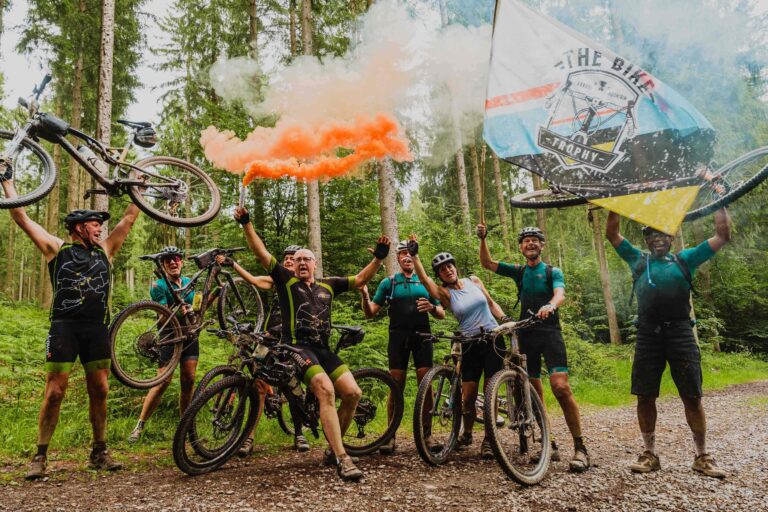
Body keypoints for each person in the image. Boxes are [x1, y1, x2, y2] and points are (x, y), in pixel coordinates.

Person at [233, 206, 388, 481]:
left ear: (315, 264)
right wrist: (246, 223)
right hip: (296, 348)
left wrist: (378, 258)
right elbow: (261, 253)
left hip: (323, 350)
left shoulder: (328, 285)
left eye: (307, 259)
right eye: (298, 260)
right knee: (325, 390)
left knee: (353, 393)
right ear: (293, 264)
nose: (302, 263)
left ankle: (332, 448)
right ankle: (343, 458)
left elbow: (361, 279)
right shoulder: (286, 281)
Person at [1, 179, 140, 480]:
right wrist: (7, 182)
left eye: (101, 225)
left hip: (97, 329)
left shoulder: (106, 250)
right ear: (79, 227)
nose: (100, 228)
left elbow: (129, 218)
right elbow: (21, 217)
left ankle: (99, 452)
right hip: (64, 328)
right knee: (54, 392)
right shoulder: (57, 248)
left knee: (100, 389)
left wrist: (137, 188)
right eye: (95, 224)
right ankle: (40, 456)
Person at [606, 209, 731, 479]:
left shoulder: (686, 259)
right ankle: (649, 454)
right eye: (652, 235)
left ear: (671, 238)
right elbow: (612, 234)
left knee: (692, 395)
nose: (658, 239)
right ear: (647, 240)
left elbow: (722, 235)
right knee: (645, 395)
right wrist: (614, 203)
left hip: (681, 333)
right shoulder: (638, 260)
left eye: (663, 235)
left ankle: (702, 456)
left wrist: (720, 203)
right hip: (648, 335)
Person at [477, 224, 590, 472]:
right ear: (521, 247)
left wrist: (551, 305)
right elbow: (486, 263)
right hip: (526, 334)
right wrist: (483, 239)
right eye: (526, 240)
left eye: (535, 240)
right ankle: (550, 443)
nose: (530, 243)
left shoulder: (551, 271)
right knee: (533, 393)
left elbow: (560, 293)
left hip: (550, 333)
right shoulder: (519, 271)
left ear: (542, 245)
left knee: (560, 388)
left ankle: (580, 447)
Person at [407, 237, 506, 459]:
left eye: (449, 266)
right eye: (442, 270)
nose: (448, 270)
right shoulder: (445, 294)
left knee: (490, 391)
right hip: (470, 343)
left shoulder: (474, 281)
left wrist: (505, 320)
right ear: (440, 276)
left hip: (492, 339)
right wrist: (415, 256)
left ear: (455, 267)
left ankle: (489, 439)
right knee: (468, 396)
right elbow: (424, 280)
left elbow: (491, 304)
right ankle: (467, 433)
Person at [215, 245, 312, 456]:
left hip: (291, 342)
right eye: (286, 258)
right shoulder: (277, 281)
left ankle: (299, 434)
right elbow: (252, 280)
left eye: (292, 258)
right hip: (268, 338)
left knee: (292, 387)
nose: (288, 261)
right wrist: (233, 264)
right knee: (258, 384)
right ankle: (249, 437)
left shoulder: (306, 285)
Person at [359, 240, 445, 454]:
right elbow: (370, 312)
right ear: (397, 258)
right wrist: (365, 296)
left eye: (409, 253)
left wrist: (432, 308)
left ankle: (427, 435)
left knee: (426, 385)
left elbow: (442, 313)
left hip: (423, 337)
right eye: (402, 253)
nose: (407, 256)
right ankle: (390, 436)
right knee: (395, 386)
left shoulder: (424, 281)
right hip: (397, 338)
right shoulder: (389, 283)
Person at [128, 246, 199, 443]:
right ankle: (140, 425)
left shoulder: (189, 283)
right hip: (169, 336)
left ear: (181, 262)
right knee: (162, 381)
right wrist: (178, 312)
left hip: (189, 335)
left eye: (176, 258)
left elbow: (198, 309)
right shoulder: (158, 285)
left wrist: (195, 309)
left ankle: (184, 426)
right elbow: (161, 317)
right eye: (168, 260)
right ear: (163, 265)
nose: (173, 262)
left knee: (189, 379)